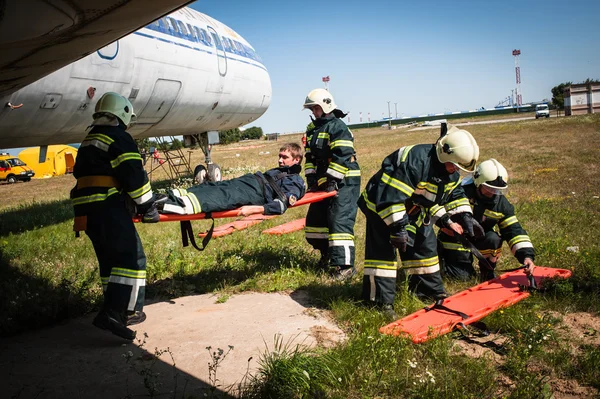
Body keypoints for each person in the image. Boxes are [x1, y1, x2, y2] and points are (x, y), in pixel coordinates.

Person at [359, 124, 482, 318]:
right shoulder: (415, 162)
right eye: (454, 166)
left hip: (414, 207)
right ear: (444, 153)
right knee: (382, 255)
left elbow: (454, 194)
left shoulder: (449, 169)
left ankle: (428, 291)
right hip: (381, 205)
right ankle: (379, 303)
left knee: (424, 246)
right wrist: (398, 229)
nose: (454, 171)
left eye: (458, 168)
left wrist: (463, 216)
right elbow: (391, 197)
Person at [71, 92, 161, 341]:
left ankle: (114, 309)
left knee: (109, 262)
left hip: (86, 211)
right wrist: (147, 206)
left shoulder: (89, 140)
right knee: (131, 258)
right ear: (122, 114)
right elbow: (133, 174)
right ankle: (120, 312)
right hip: (106, 206)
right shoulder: (119, 137)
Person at [438, 158, 536, 281]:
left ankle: (487, 270)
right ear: (478, 183)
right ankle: (443, 259)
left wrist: (527, 256)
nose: (494, 193)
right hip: (455, 238)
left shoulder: (501, 205)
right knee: (462, 278)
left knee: (493, 239)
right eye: (489, 188)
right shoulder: (459, 192)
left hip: (479, 236)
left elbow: (514, 231)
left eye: (498, 189)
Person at [302, 88, 361, 280]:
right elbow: (310, 156)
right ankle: (326, 255)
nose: (313, 112)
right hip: (322, 182)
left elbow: (343, 155)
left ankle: (345, 267)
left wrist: (333, 180)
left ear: (325, 106)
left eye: (315, 108)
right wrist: (311, 178)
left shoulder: (338, 127)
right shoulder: (312, 130)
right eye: (311, 109)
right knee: (316, 222)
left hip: (344, 180)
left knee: (339, 220)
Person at [159, 143, 305, 217]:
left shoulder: (295, 181)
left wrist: (255, 209)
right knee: (207, 187)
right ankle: (162, 198)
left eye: (284, 157)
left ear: (297, 159)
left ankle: (161, 207)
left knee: (215, 197)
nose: (280, 160)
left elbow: (281, 205)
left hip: (255, 192)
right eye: (279, 156)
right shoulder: (281, 171)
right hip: (248, 181)